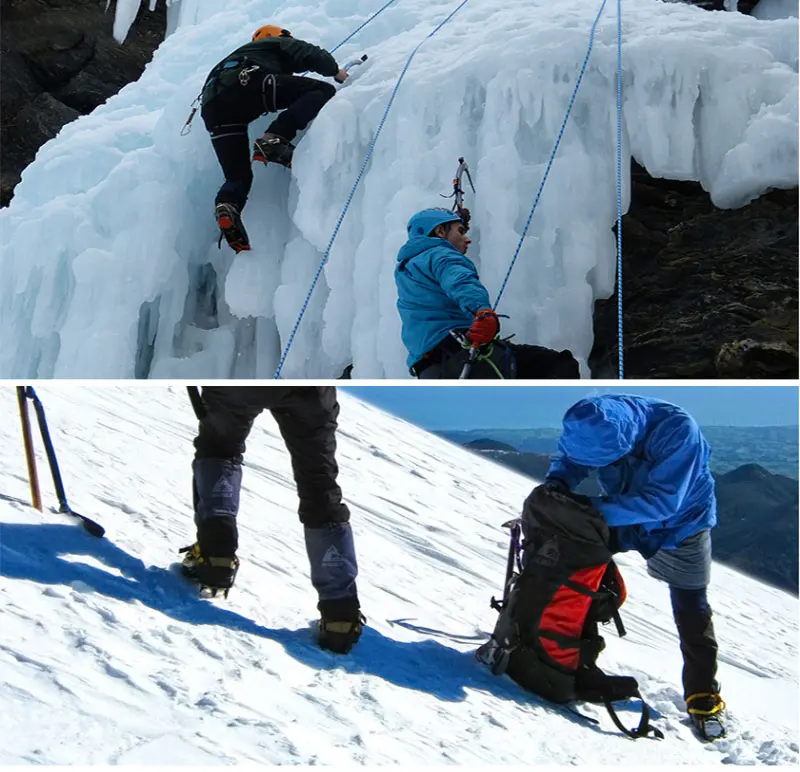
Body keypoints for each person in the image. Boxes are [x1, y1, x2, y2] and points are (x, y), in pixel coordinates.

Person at [543, 393, 725, 740]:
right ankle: (556, 648)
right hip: (619, 512)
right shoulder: (591, 422)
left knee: (691, 606)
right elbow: (572, 460)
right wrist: (556, 484)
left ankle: (703, 694)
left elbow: (662, 503)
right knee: (569, 569)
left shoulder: (677, 430)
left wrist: (587, 511)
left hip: (681, 525)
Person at [180, 386, 365, 654]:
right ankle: (340, 615)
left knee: (220, 447)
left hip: (244, 381)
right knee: (320, 488)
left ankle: (215, 556)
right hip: (313, 390)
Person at [200, 25, 349, 253]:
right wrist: (336, 72)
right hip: (247, 83)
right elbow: (311, 54)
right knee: (321, 91)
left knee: (237, 176)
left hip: (212, 107)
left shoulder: (234, 57)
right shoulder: (274, 43)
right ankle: (276, 138)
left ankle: (227, 205)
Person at [394, 207, 580, 379]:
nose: (467, 239)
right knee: (558, 364)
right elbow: (461, 282)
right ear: (440, 232)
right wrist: (482, 311)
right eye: (460, 231)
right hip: (461, 355)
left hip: (429, 370)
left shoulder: (407, 268)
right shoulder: (441, 255)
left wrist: (457, 222)